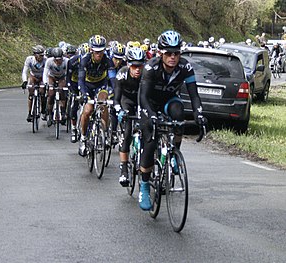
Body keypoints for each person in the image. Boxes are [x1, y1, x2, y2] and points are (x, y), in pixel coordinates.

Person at [138, 30, 207, 210]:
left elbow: (194, 95)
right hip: (150, 103)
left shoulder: (185, 68)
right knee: (151, 141)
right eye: (168, 53)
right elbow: (143, 97)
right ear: (160, 53)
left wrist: (199, 114)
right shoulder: (150, 67)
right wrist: (151, 115)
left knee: (179, 112)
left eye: (176, 52)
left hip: (169, 101)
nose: (173, 57)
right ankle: (144, 185)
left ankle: (174, 152)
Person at [78, 35, 117, 157]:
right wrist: (84, 95)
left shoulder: (108, 60)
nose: (99, 54)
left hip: (101, 85)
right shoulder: (85, 60)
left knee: (103, 103)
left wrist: (116, 93)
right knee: (88, 110)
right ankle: (83, 137)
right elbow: (80, 80)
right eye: (96, 52)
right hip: (88, 86)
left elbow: (113, 79)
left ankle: (104, 133)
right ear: (91, 50)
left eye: (101, 51)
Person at [113, 47, 145, 186]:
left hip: (141, 101)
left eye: (140, 66)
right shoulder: (122, 74)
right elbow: (116, 97)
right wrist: (119, 109)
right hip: (126, 101)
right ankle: (124, 167)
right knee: (127, 134)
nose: (137, 69)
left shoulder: (147, 75)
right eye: (134, 66)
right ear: (128, 65)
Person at [43, 47, 69, 127]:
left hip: (62, 77)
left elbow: (69, 74)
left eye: (60, 59)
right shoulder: (49, 61)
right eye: (56, 60)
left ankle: (63, 112)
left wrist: (69, 84)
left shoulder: (66, 61)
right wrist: (46, 83)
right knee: (51, 95)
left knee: (62, 93)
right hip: (52, 77)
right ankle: (50, 115)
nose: (58, 61)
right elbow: (45, 73)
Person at [21, 45, 47, 122]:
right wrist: (24, 81)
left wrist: (46, 83)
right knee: (31, 94)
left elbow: (48, 73)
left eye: (43, 55)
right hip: (33, 76)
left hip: (42, 77)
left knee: (42, 91)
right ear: (35, 54)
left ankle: (43, 110)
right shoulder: (29, 59)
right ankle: (30, 113)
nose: (41, 57)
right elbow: (24, 71)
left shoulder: (46, 60)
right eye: (40, 55)